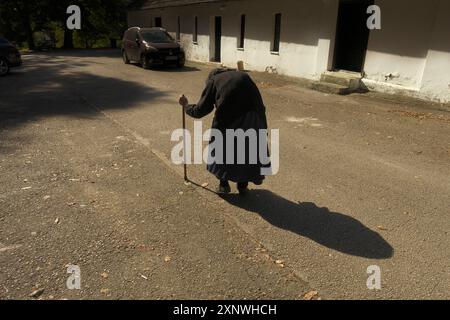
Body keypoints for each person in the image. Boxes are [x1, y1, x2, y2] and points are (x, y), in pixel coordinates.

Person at [179, 68, 270, 195]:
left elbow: (200, 110)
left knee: (221, 151)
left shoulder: (213, 81)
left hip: (230, 120)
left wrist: (186, 106)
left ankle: (224, 185)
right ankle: (242, 186)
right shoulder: (243, 75)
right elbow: (259, 102)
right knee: (248, 150)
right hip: (255, 118)